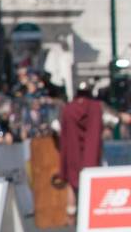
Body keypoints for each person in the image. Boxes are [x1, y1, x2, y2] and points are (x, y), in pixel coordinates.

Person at [54, 80, 130, 216]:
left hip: (72, 153)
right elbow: (115, 120)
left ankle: (71, 213)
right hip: (93, 152)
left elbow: (56, 127)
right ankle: (93, 213)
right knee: (95, 182)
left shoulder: (67, 109)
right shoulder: (97, 106)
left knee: (72, 183)